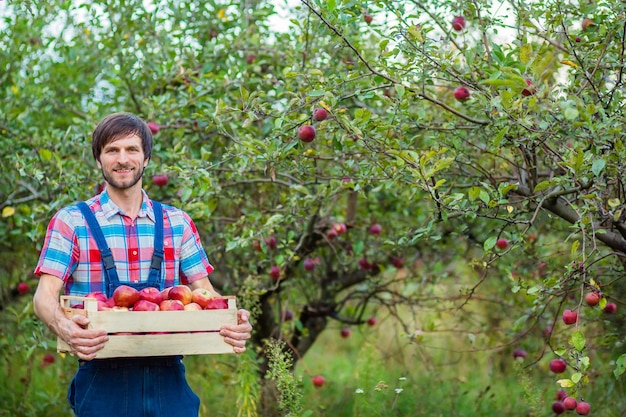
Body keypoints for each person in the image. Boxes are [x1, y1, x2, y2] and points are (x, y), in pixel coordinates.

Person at [32, 112, 252, 417]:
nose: (122, 159)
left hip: (170, 383)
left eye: (132, 150)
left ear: (146, 158)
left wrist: (233, 319)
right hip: (102, 382)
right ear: (99, 160)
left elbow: (206, 293)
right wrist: (67, 330)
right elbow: (44, 297)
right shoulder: (72, 222)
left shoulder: (177, 222)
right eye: (112, 150)